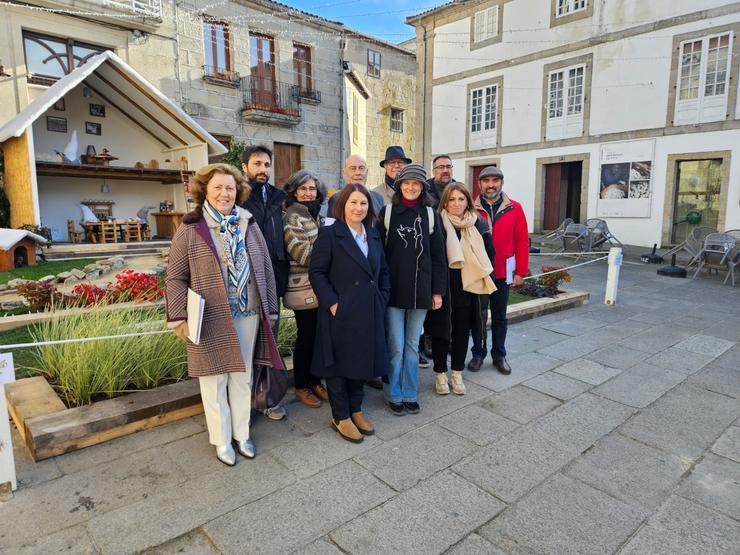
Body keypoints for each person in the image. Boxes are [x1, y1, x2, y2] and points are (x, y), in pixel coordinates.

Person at [166, 163, 284, 466]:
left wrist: (270, 308)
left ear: (238, 191)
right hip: (209, 317)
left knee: (242, 376)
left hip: (247, 312)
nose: (224, 193)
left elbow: (266, 269)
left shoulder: (248, 222)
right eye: (217, 187)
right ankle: (221, 440)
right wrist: (179, 317)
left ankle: (242, 434)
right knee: (213, 380)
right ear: (205, 190)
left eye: (229, 188)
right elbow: (175, 276)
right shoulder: (191, 226)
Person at [309, 184, 390, 442]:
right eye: (353, 202)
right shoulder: (330, 234)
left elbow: (384, 271)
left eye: (363, 203)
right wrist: (333, 303)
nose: (359, 208)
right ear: (343, 205)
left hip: (369, 309)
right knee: (339, 365)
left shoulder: (374, 234)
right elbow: (317, 272)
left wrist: (382, 297)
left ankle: (356, 409)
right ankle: (340, 415)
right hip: (340, 311)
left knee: (361, 361)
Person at [377, 164, 447, 415]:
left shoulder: (430, 215)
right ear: (399, 186)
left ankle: (409, 392)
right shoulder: (386, 214)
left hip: (421, 291)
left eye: (415, 184)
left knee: (412, 346)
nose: (410, 187)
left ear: (422, 187)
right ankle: (393, 393)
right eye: (406, 183)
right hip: (393, 291)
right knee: (395, 346)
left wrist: (437, 292)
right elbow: (378, 255)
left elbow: (439, 256)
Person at [428, 183, 495, 395]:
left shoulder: (479, 224)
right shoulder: (436, 222)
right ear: (445, 202)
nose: (456, 204)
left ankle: (456, 373)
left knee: (461, 333)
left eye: (461, 199)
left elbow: (490, 254)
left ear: (467, 200)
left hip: (469, 288)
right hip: (444, 287)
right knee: (440, 333)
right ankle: (440, 374)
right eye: (452, 199)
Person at [241, 145, 288, 420]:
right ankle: (243, 400)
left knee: (271, 338)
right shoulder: (237, 196)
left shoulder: (279, 198)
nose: (263, 170)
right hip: (245, 282)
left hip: (274, 281)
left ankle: (267, 397)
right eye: (257, 164)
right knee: (246, 342)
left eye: (267, 164)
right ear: (245, 166)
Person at [469, 166, 529, 375]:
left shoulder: (515, 208)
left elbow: (522, 241)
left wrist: (521, 271)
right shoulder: (471, 208)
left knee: (500, 317)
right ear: (480, 184)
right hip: (479, 273)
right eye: (486, 181)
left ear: (501, 183)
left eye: (495, 180)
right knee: (478, 316)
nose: (491, 185)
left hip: (503, 272)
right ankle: (478, 353)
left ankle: (499, 355)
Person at [282, 170, 331, 408]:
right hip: (303, 288)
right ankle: (302, 386)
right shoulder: (292, 217)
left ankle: (315, 381)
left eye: (312, 189)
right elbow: (301, 253)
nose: (308, 193)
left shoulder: (316, 215)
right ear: (294, 191)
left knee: (319, 338)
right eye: (303, 189)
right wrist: (332, 254)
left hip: (320, 286)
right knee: (306, 339)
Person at [372, 145, 411, 212]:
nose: (396, 166)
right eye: (392, 162)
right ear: (385, 166)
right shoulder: (376, 194)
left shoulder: (413, 190)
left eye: (400, 162)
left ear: (405, 165)